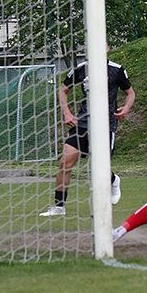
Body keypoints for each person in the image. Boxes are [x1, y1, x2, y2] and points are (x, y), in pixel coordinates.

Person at [40, 49, 135, 216]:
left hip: (105, 126)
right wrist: (67, 113)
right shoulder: (81, 68)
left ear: (107, 48)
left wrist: (126, 108)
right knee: (64, 164)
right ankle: (59, 207)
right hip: (83, 124)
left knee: (100, 168)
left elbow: (130, 93)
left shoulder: (116, 70)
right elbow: (63, 90)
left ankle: (113, 180)